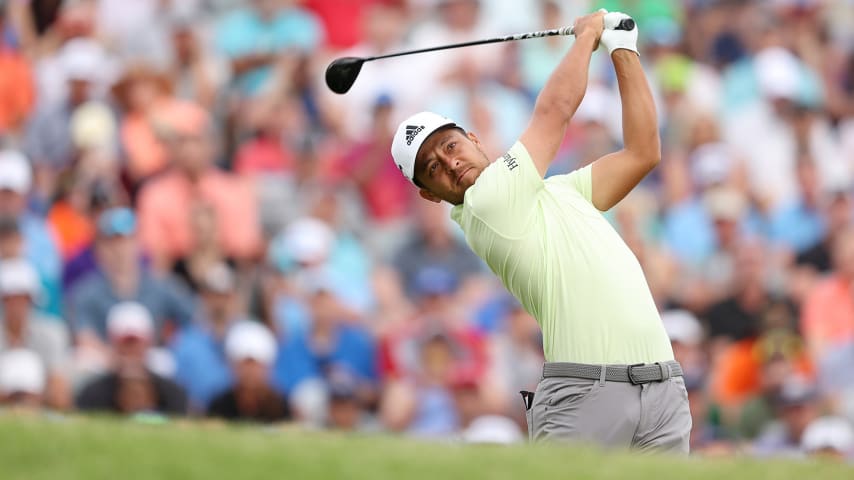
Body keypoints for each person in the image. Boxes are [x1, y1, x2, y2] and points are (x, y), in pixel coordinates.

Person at [389, 10, 690, 452]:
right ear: (430, 195)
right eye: (433, 168)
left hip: (662, 386)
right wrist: (587, 38)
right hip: (586, 393)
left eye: (451, 145)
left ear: (474, 137)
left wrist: (623, 49)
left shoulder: (561, 191)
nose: (451, 164)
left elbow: (643, 151)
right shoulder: (486, 204)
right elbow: (555, 111)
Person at [76, 302, 188, 416]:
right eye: (125, 344)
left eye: (136, 343)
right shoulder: (92, 394)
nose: (131, 351)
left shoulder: (172, 394)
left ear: (149, 343)